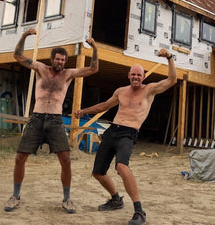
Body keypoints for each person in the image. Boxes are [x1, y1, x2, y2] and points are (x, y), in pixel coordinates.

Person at [75, 49, 176, 225]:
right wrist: (84, 111)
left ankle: (139, 211)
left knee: (122, 166)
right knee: (98, 172)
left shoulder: (149, 90)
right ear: (129, 75)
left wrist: (169, 58)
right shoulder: (121, 91)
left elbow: (172, 80)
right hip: (112, 130)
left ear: (143, 77)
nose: (136, 77)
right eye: (133, 74)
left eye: (139, 75)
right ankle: (116, 199)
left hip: (128, 133)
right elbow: (105, 105)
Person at [4, 28, 98, 214]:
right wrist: (24, 36)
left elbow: (94, 69)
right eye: (57, 59)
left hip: (55, 121)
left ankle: (67, 198)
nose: (60, 62)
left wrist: (94, 47)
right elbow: (17, 55)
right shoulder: (40, 68)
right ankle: (15, 195)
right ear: (52, 59)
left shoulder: (69, 74)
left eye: (63, 60)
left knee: (66, 160)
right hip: (37, 118)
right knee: (20, 157)